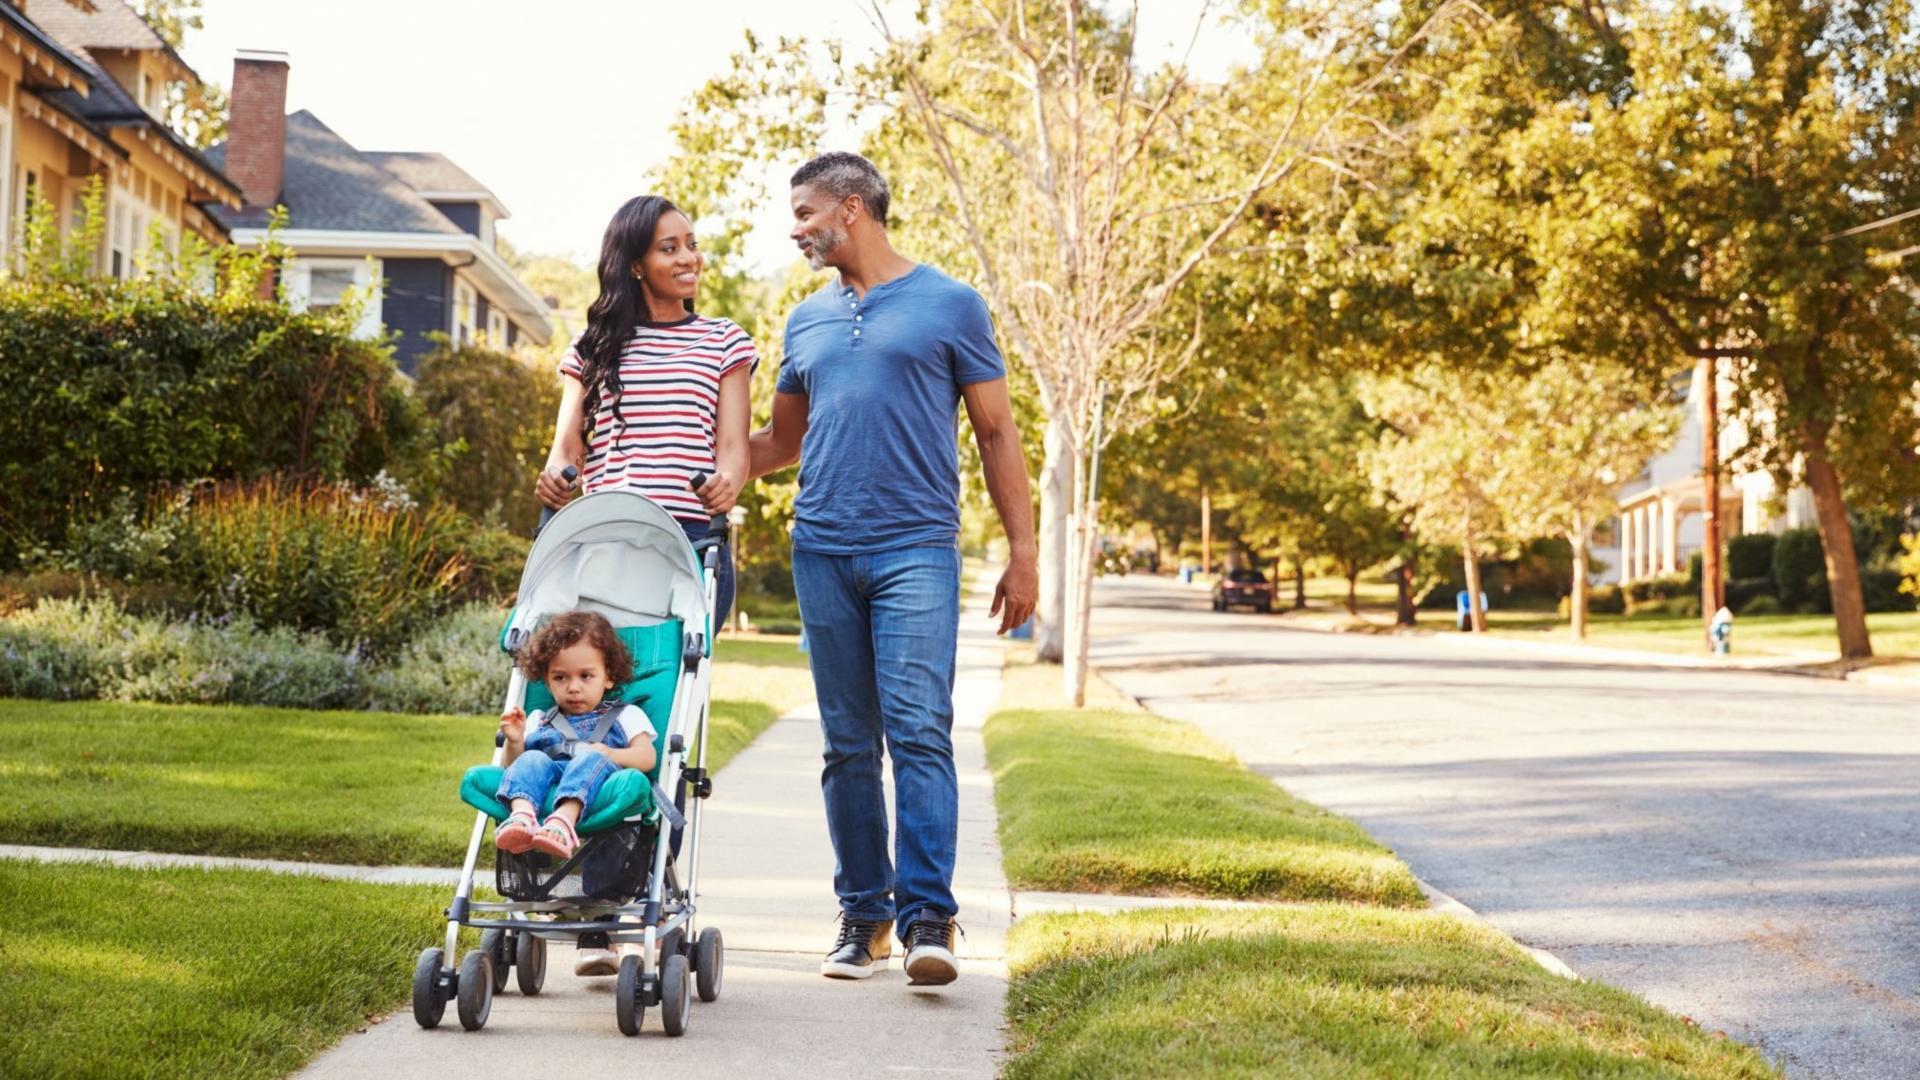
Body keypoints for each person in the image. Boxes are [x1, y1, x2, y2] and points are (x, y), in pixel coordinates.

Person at [747, 152, 1038, 987]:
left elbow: (995, 433)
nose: (795, 228)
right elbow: (780, 445)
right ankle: (864, 917)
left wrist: (1023, 554)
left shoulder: (950, 304)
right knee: (846, 745)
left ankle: (928, 920)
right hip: (822, 547)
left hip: (915, 548)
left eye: (805, 212)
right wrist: (687, 462)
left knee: (917, 729)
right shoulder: (805, 319)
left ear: (851, 208)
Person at [536, 194, 755, 624]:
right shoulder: (591, 347)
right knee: (590, 680)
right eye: (669, 248)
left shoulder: (724, 341)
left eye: (691, 244)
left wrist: (726, 483)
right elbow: (566, 450)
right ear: (636, 265)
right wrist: (554, 480)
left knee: (678, 684)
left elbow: (732, 446)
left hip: (691, 541)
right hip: (602, 539)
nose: (689, 258)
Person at [492, 610, 658, 978]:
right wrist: (516, 741)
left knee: (589, 756)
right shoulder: (539, 718)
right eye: (560, 678)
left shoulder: (626, 715)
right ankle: (522, 816)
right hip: (544, 788)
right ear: (547, 680)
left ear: (609, 676)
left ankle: (563, 822)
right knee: (533, 757)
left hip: (596, 788)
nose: (573, 687)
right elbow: (513, 768)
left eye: (586, 676)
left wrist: (611, 755)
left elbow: (646, 757)